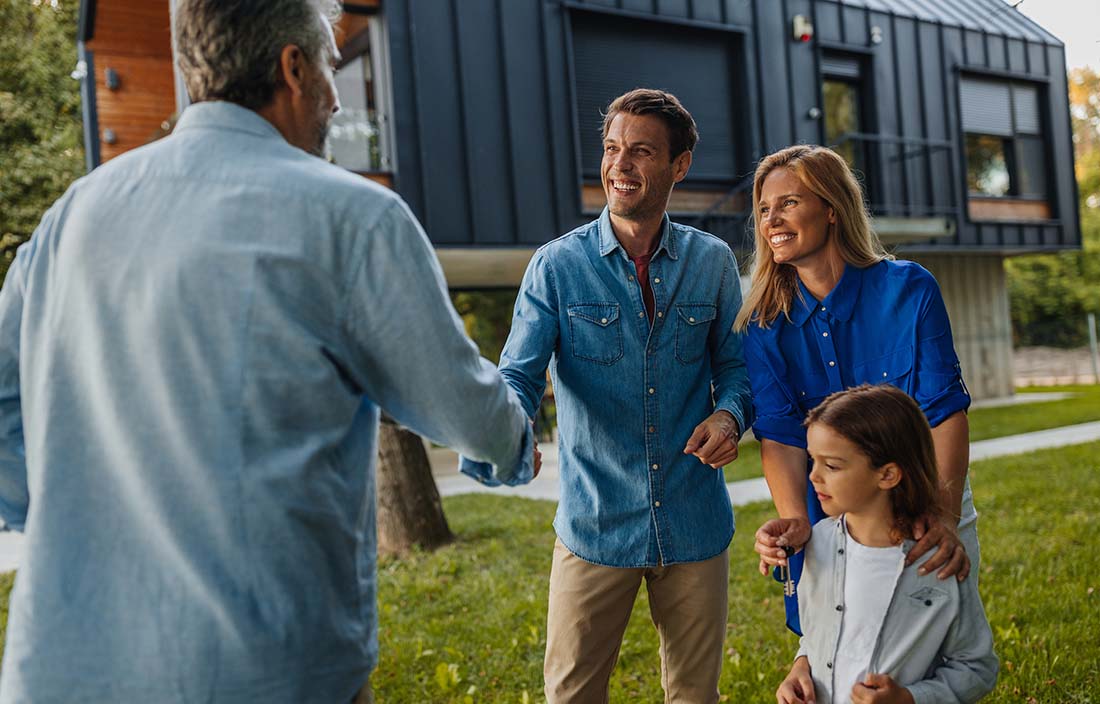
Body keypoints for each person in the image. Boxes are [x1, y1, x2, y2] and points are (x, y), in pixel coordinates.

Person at [0, 1, 537, 702]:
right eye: (332, 67)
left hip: (63, 671)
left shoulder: (73, 213)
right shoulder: (353, 218)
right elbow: (466, 409)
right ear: (293, 68)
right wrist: (513, 443)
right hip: (257, 674)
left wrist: (68, 512)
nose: (337, 97)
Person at [461, 88, 753, 703]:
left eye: (641, 151)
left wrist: (729, 417)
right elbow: (517, 374)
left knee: (695, 698)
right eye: (612, 148)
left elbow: (736, 367)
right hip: (595, 525)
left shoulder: (714, 263)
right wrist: (507, 433)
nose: (619, 165)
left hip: (694, 522)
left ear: (679, 165)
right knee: (572, 696)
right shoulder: (556, 266)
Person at [737, 145, 977, 634]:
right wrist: (796, 521)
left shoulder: (910, 290)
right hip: (826, 509)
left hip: (923, 497)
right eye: (764, 208)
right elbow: (780, 436)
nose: (771, 219)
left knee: (934, 640)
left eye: (788, 203)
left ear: (831, 208)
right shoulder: (763, 325)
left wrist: (943, 516)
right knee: (831, 648)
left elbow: (943, 411)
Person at [772, 384, 997, 704]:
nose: (814, 477)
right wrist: (801, 667)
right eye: (813, 461)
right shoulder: (818, 543)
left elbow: (978, 667)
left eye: (831, 465)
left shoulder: (938, 562)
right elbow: (818, 634)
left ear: (888, 474)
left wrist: (909, 698)